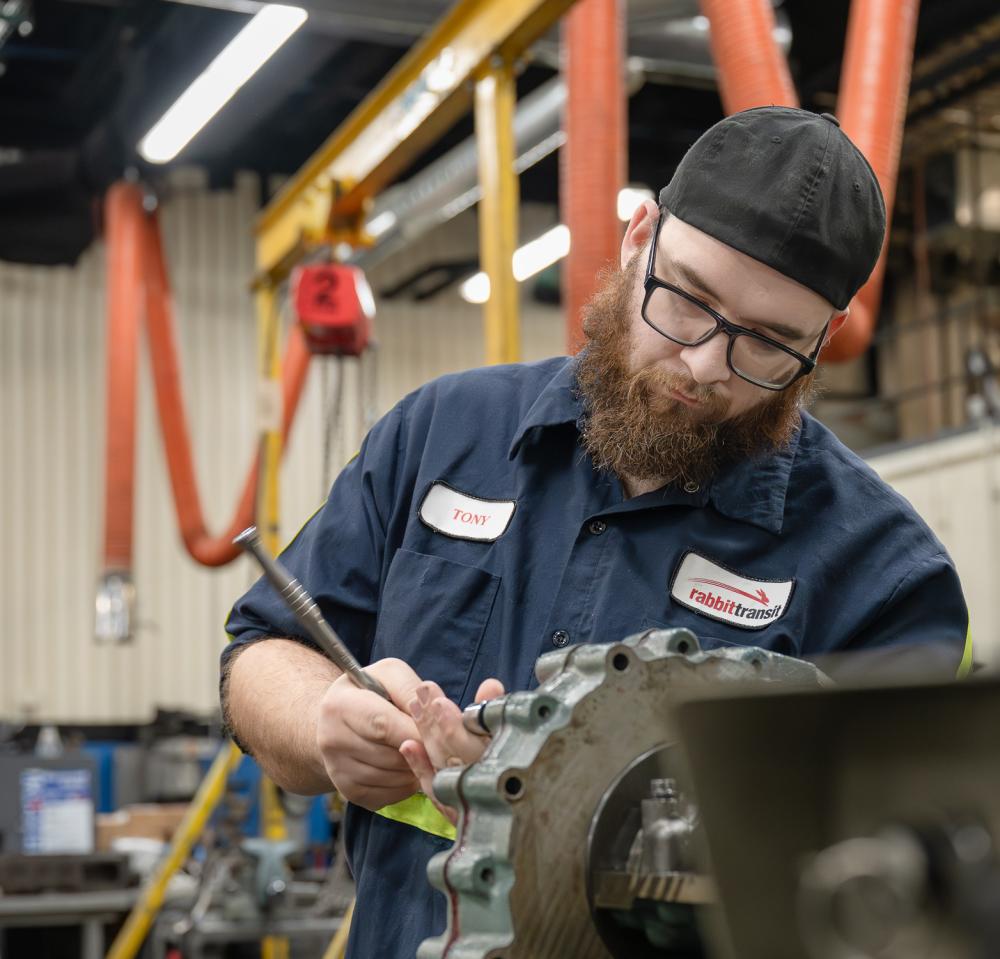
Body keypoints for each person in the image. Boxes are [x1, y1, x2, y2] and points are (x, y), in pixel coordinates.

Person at [221, 106, 969, 958]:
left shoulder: (884, 574)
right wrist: (325, 716)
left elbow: (885, 912)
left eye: (767, 344)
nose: (705, 365)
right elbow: (257, 657)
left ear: (825, 339)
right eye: (689, 301)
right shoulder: (442, 434)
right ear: (638, 236)